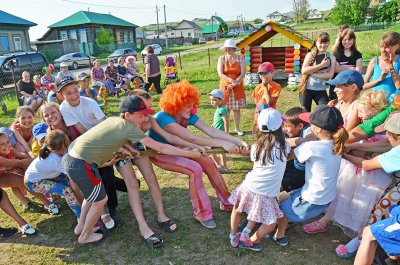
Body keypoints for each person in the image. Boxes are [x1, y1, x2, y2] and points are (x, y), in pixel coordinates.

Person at [62, 95, 202, 245]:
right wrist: (192, 154)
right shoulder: (128, 127)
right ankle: (90, 235)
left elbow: (105, 137)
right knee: (113, 193)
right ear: (128, 115)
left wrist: (125, 146)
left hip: (74, 158)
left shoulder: (116, 121)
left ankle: (81, 226)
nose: (144, 119)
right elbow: (160, 147)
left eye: (146, 114)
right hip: (82, 163)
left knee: (95, 196)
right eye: (141, 116)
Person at [148, 80, 249, 229]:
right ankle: (202, 213)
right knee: (194, 169)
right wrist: (222, 143)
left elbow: (212, 131)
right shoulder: (163, 117)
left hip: (179, 147)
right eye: (188, 105)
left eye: (192, 105)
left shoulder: (187, 114)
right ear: (176, 103)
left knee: (207, 161)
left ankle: (227, 201)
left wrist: (238, 141)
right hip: (160, 152)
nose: (192, 109)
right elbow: (191, 137)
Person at [273, 105, 348, 246]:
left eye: (310, 123)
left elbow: (287, 155)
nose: (308, 125)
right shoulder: (337, 143)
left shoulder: (312, 147)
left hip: (313, 198)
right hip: (325, 195)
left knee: (280, 212)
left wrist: (302, 140)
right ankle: (287, 218)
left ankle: (279, 235)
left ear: (318, 129)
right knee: (284, 197)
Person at [56, 76, 126, 222]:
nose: (74, 95)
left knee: (106, 172)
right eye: (68, 93)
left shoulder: (90, 103)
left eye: (75, 91)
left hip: (102, 138)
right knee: (95, 174)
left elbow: (104, 125)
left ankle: (112, 208)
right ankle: (104, 206)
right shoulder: (64, 107)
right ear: (61, 96)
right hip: (87, 141)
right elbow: (80, 129)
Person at [229, 108, 290, 251]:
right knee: (270, 222)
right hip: (267, 193)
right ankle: (249, 240)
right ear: (280, 127)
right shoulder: (284, 147)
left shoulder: (256, 147)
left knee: (237, 209)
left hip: (249, 186)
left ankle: (233, 235)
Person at [25, 130, 81, 219]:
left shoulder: (52, 148)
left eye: (68, 142)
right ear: (55, 150)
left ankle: (81, 203)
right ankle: (81, 216)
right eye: (66, 146)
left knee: (71, 184)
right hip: (33, 183)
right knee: (66, 190)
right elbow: (74, 175)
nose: (70, 146)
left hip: (48, 175)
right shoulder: (57, 161)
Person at [0, 132, 49, 213]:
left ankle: (46, 203)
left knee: (20, 177)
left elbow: (24, 157)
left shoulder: (10, 150)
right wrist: (42, 158)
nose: (6, 146)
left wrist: (29, 157)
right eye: (2, 144)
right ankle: (28, 204)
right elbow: (21, 163)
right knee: (21, 180)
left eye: (8, 142)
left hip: (3, 173)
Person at [299, 32, 336, 112]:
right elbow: (304, 71)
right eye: (320, 42)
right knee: (304, 113)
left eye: (325, 43)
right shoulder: (310, 55)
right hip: (306, 89)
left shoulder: (331, 57)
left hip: (321, 90)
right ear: (316, 43)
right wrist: (322, 65)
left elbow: (329, 75)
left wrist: (312, 73)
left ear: (328, 43)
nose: (323, 45)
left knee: (326, 111)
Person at [217, 39, 246, 135]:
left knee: (237, 109)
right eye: (227, 48)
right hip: (225, 86)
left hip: (237, 85)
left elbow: (242, 73)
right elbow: (221, 73)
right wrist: (230, 81)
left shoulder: (241, 58)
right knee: (226, 109)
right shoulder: (222, 58)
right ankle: (226, 130)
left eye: (230, 48)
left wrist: (235, 82)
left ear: (234, 48)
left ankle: (237, 128)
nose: (228, 49)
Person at [281, 107, 311, 192]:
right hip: (295, 163)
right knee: (278, 175)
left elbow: (309, 139)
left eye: (287, 126)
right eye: (284, 126)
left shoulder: (307, 131)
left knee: (281, 185)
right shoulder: (293, 130)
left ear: (300, 126)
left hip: (301, 172)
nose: (285, 129)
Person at [363, 31, 400, 100]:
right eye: (381, 47)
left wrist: (390, 66)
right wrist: (379, 80)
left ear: (397, 46)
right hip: (375, 102)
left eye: (386, 47)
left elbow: (398, 86)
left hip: (392, 103)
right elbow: (363, 86)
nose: (383, 50)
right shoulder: (375, 60)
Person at [330, 28, 363, 100]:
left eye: (349, 39)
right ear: (341, 40)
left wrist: (341, 68)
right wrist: (351, 68)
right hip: (337, 86)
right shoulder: (336, 54)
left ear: (353, 40)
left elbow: (358, 71)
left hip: (351, 88)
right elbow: (335, 69)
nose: (347, 42)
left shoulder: (357, 54)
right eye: (344, 40)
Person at [251, 62, 281, 134]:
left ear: (272, 73)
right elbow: (256, 99)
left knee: (268, 132)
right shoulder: (258, 87)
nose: (263, 76)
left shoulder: (276, 86)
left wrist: (265, 87)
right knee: (258, 132)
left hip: (269, 115)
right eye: (261, 74)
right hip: (258, 113)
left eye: (265, 73)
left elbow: (268, 101)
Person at [208, 89, 229, 171]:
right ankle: (223, 165)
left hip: (219, 134)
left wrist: (226, 134)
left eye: (214, 100)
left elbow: (225, 122)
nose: (212, 102)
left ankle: (220, 165)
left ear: (221, 100)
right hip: (215, 133)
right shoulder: (219, 108)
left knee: (211, 150)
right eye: (211, 100)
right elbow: (218, 120)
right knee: (220, 150)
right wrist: (213, 125)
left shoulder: (222, 109)